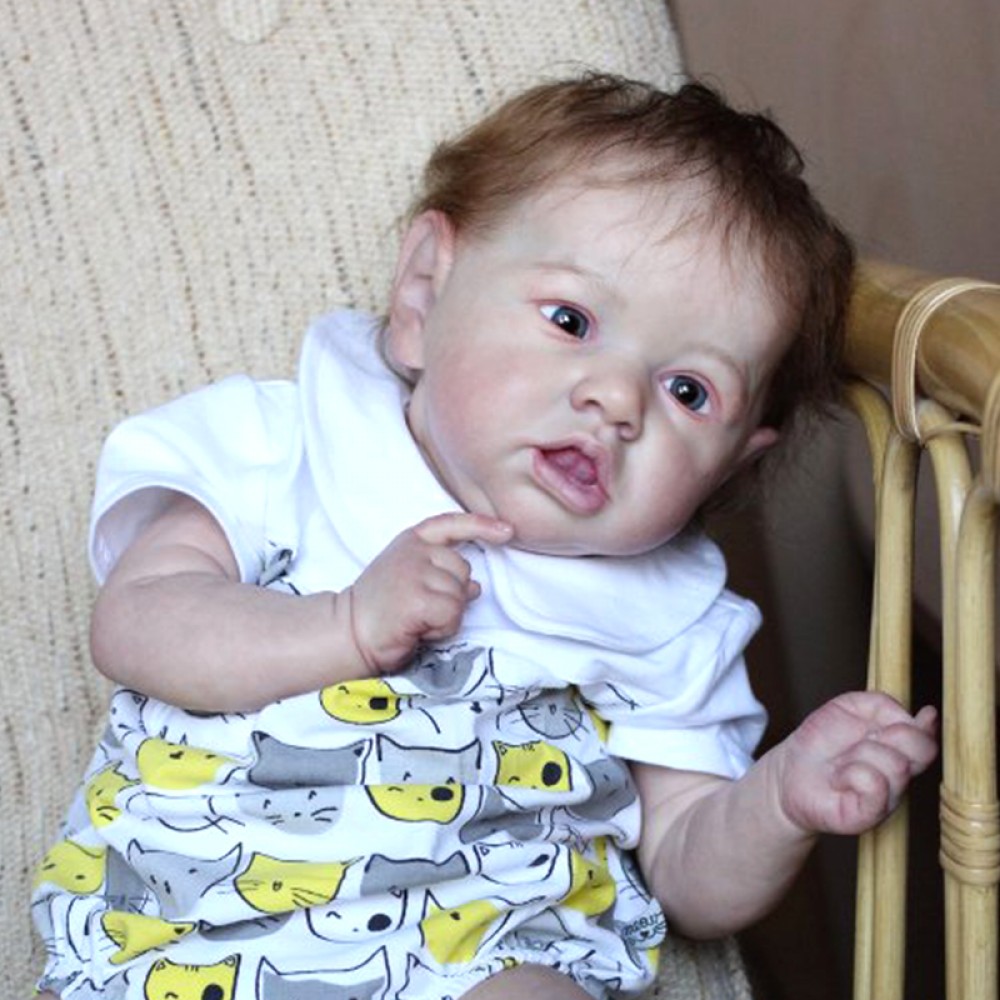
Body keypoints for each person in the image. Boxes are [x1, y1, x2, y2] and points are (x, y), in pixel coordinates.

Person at [32, 73, 937, 1000]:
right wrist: (344, 626)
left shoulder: (669, 619)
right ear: (425, 293)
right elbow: (138, 623)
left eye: (688, 391)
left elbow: (687, 875)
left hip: (477, 957)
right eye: (571, 321)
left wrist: (779, 802)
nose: (616, 400)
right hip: (180, 936)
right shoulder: (287, 446)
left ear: (732, 465)